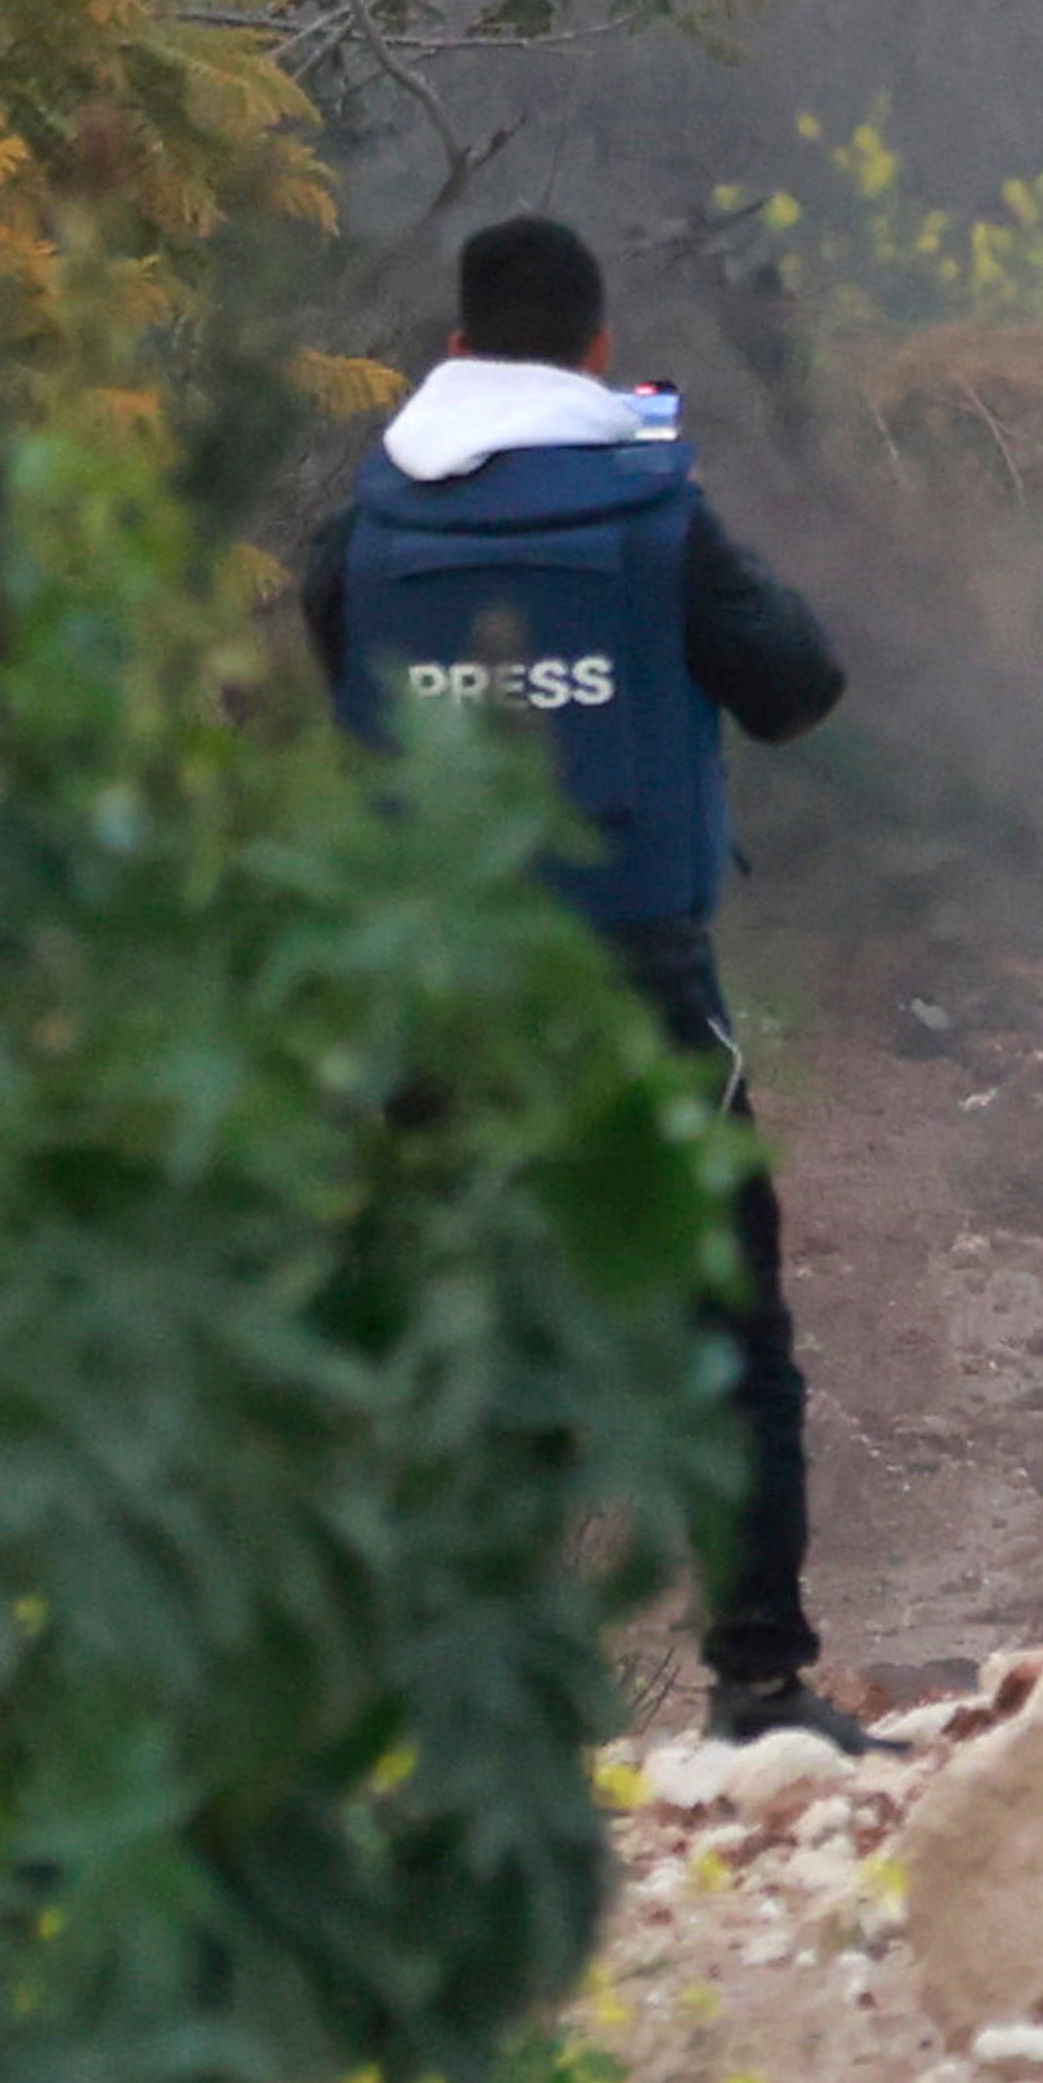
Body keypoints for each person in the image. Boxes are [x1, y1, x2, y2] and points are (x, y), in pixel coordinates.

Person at [318, 212, 862, 1742]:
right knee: (729, 1341)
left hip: (441, 985)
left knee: (452, 1333)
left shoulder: (365, 526)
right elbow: (800, 687)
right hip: (637, 985)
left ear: (457, 351)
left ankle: (455, 1701)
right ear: (600, 353)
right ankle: (757, 1682)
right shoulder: (652, 511)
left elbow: (344, 685)